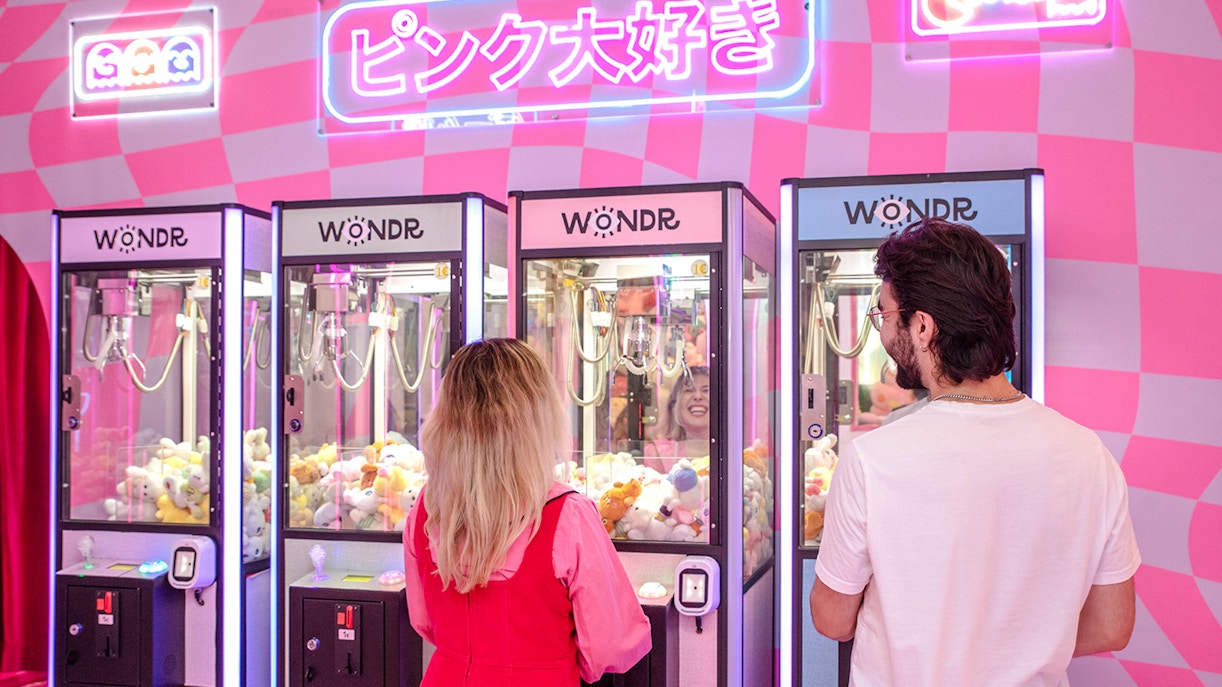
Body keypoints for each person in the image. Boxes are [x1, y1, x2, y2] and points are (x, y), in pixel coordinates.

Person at [810, 219, 1140, 686]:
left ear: (921, 326)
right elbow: (1112, 626)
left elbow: (832, 619)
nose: (882, 334)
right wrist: (1012, 646)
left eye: (882, 315)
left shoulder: (873, 459)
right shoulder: (1089, 454)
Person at [403, 338, 651, 686]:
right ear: (536, 416)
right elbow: (611, 647)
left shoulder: (426, 509)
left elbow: (424, 622)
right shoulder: (567, 514)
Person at [643, 365, 711, 472]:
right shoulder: (656, 454)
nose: (698, 396)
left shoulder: (736, 453)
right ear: (675, 405)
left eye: (706, 390)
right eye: (689, 390)